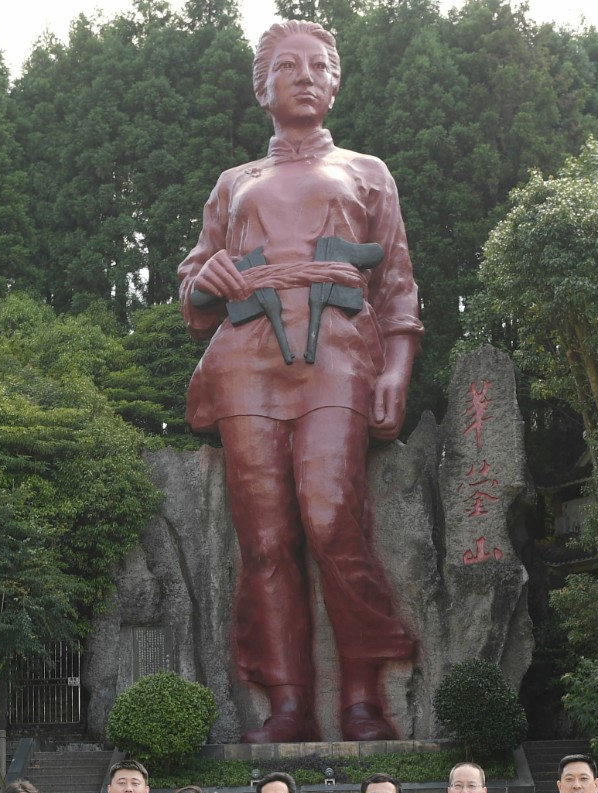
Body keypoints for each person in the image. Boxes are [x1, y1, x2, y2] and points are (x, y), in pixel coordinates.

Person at [178, 19, 424, 743]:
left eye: (320, 66)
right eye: (288, 66)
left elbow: (397, 284)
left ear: (337, 83)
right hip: (246, 357)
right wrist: (210, 277)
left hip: (339, 351)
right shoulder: (235, 183)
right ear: (262, 87)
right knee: (263, 536)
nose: (307, 76)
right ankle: (287, 699)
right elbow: (194, 290)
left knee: (330, 514)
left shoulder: (367, 171)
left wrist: (397, 368)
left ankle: (362, 693)